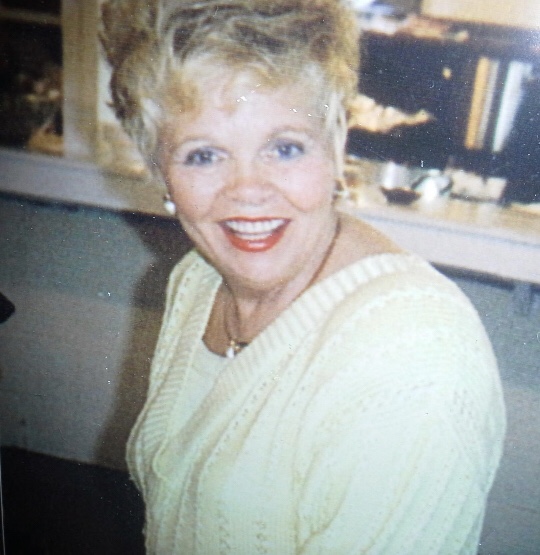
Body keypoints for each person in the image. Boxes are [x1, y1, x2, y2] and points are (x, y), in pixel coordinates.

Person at [100, 1, 506, 553]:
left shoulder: (414, 352)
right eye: (203, 156)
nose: (247, 190)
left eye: (284, 148)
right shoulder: (197, 281)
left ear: (336, 144)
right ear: (160, 169)